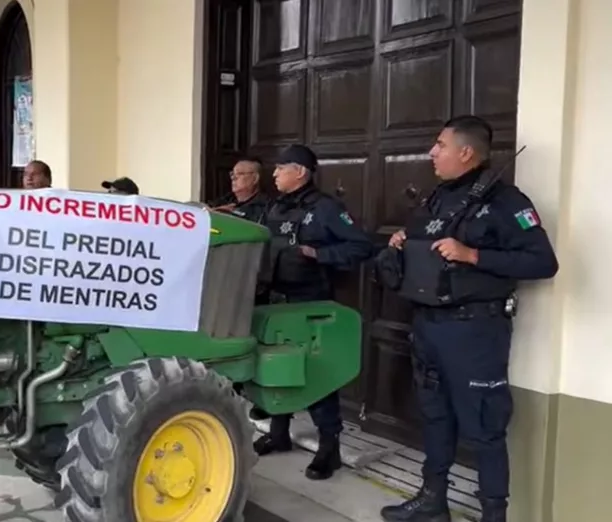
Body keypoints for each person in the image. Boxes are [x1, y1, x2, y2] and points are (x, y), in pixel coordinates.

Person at [377, 116, 558, 522]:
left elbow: (544, 262)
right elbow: (425, 252)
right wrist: (401, 245)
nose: (431, 153)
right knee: (435, 415)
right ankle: (432, 500)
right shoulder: (435, 200)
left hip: (475, 332)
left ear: (466, 152)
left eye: (440, 145)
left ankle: (494, 514)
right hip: (428, 325)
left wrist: (473, 254)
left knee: (485, 426)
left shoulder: (507, 202)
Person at [254, 144, 373, 482]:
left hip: (310, 304)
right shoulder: (275, 206)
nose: (274, 174)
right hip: (275, 302)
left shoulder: (325, 209)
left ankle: (329, 448)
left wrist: (318, 253)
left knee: (317, 376)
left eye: (281, 168)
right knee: (277, 369)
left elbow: (360, 246)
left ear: (301, 172)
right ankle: (279, 433)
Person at [208, 158, 270, 224]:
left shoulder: (265, 206)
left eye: (239, 174)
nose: (233, 178)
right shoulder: (227, 199)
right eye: (232, 174)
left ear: (255, 179)